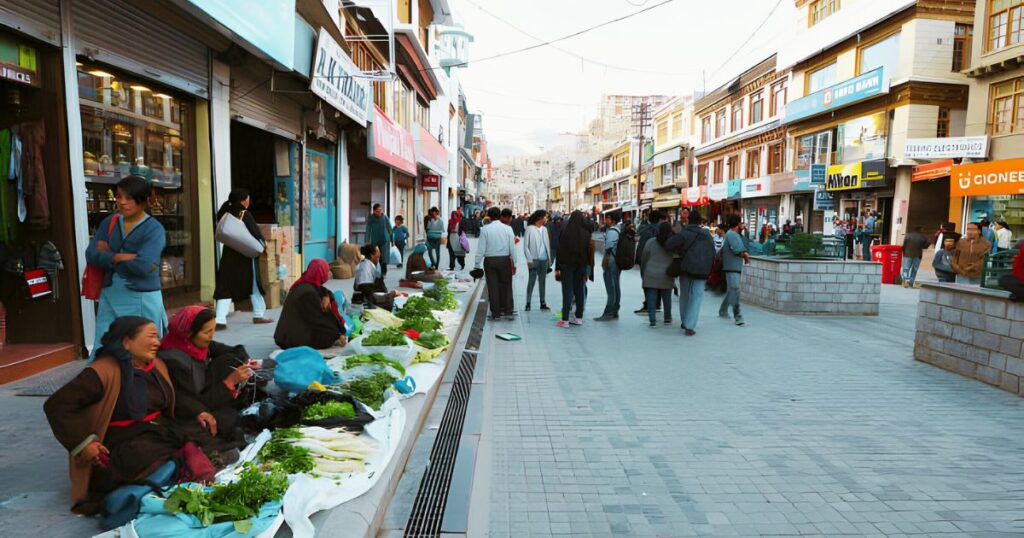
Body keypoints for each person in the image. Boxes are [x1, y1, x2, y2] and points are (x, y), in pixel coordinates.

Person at [45, 317, 182, 512]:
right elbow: (57, 405)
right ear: (126, 342)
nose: (157, 343)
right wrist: (84, 444)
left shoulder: (156, 365)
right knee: (145, 453)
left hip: (156, 433)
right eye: (151, 336)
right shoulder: (102, 371)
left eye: (157, 337)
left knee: (195, 436)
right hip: (120, 446)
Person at [85, 176, 168, 357]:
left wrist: (107, 255)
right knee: (103, 347)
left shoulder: (154, 229)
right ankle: (101, 382)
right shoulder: (110, 222)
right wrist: (119, 257)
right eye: (119, 196)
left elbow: (145, 266)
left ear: (144, 200)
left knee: (142, 352)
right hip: (110, 292)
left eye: (129, 198)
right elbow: (91, 255)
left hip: (141, 295)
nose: (122, 202)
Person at [159, 306, 253, 454]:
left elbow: (235, 351)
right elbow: (188, 403)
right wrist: (229, 383)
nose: (211, 336)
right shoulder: (173, 360)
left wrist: (246, 361)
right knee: (224, 420)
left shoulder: (199, 345)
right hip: (188, 412)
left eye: (213, 330)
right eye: (206, 332)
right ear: (188, 333)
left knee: (229, 360)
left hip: (204, 400)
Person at [212, 188, 272, 330]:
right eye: (248, 198)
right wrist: (264, 246)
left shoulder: (225, 213)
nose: (249, 201)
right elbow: (255, 232)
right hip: (245, 255)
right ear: (243, 199)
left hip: (228, 254)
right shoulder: (244, 214)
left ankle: (220, 319)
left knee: (224, 285)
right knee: (253, 284)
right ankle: (258, 314)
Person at [274, 259, 346, 349]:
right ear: (321, 273)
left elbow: (323, 291)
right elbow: (319, 319)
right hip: (290, 341)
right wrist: (338, 333)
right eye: (326, 271)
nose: (328, 273)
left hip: (285, 336)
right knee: (328, 336)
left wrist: (326, 296)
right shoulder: (308, 293)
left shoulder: (304, 284)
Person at [666, 210, 715, 336]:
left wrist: (680, 251)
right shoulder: (707, 235)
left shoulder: (684, 233)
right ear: (700, 222)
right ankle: (690, 326)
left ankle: (684, 321)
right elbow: (713, 253)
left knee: (685, 296)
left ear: (689, 220)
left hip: (686, 269)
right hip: (702, 271)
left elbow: (669, 244)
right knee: (697, 298)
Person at [475, 206, 516, 320]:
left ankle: (495, 313)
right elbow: (512, 248)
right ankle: (508, 311)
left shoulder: (485, 229)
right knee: (507, 286)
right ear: (500, 215)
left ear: (489, 216)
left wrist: (477, 264)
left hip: (490, 261)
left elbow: (481, 249)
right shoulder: (508, 229)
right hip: (504, 260)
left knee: (493, 287)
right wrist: (514, 262)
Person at [555, 211, 594, 328]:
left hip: (567, 266)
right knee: (579, 291)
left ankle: (565, 319)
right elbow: (588, 254)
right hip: (581, 266)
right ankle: (578, 318)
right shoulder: (586, 234)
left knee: (567, 291)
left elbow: (560, 251)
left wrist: (557, 268)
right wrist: (588, 270)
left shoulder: (565, 232)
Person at [640, 222, 675, 327]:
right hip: (667, 274)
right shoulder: (672, 244)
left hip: (651, 274)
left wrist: (643, 272)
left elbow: (644, 259)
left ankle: (652, 320)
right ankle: (667, 318)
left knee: (651, 298)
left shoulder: (650, 242)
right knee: (667, 298)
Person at [634, 210, 667, 315]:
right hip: (660, 260)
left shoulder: (646, 229)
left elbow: (642, 247)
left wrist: (638, 261)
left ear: (649, 217)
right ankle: (657, 304)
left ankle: (649, 304)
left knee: (647, 284)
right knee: (658, 284)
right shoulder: (662, 230)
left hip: (647, 261)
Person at [719, 214, 750, 326]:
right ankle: (738, 316)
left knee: (731, 290)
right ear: (737, 224)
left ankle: (723, 311)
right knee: (735, 290)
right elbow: (737, 249)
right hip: (732, 267)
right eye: (741, 222)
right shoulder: (732, 234)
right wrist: (745, 255)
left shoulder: (733, 234)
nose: (742, 224)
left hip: (733, 266)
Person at [355, 244, 406, 309]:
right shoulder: (365, 268)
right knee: (391, 303)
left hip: (372, 295)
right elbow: (366, 291)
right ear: (371, 256)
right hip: (366, 300)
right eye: (377, 254)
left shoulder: (371, 264)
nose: (380, 254)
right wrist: (389, 295)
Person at [595, 210, 623, 322]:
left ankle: (609, 311)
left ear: (612, 219)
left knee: (610, 286)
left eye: (607, 218)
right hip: (616, 261)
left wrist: (604, 260)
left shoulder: (612, 231)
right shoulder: (618, 229)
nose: (605, 220)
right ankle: (615, 309)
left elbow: (608, 248)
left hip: (611, 260)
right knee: (616, 285)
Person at [524, 209, 552, 311]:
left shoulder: (544, 229)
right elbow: (526, 246)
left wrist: (549, 260)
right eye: (545, 217)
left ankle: (542, 302)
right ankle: (528, 302)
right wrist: (529, 260)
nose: (547, 219)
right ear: (540, 217)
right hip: (534, 259)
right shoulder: (530, 229)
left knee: (542, 281)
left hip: (544, 259)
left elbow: (547, 245)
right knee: (531, 281)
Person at [365, 203, 393, 276]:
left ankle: (384, 270)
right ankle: (375, 270)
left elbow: (390, 228)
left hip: (384, 240)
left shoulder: (384, 217)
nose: (379, 212)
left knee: (384, 256)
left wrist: (392, 238)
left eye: (380, 210)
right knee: (376, 255)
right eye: (378, 211)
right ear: (374, 211)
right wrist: (366, 240)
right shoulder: (371, 218)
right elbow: (368, 229)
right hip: (375, 240)